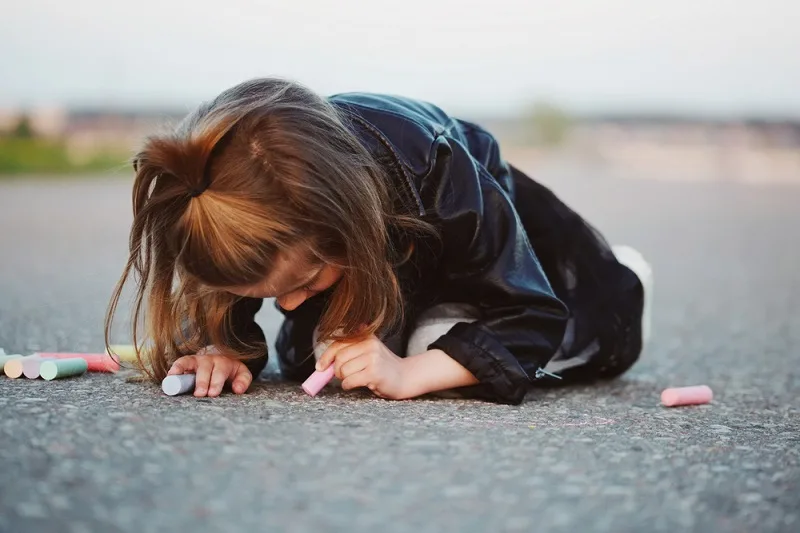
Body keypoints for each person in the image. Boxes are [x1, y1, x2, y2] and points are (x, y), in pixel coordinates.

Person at [105, 78, 653, 405]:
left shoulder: (443, 174)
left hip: (486, 257)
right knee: (323, 358)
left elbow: (528, 315)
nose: (289, 305)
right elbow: (236, 280)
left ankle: (623, 279)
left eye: (302, 283)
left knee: (435, 353)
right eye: (268, 292)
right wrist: (216, 345)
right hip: (382, 251)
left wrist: (411, 374)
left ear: (343, 228)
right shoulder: (244, 200)